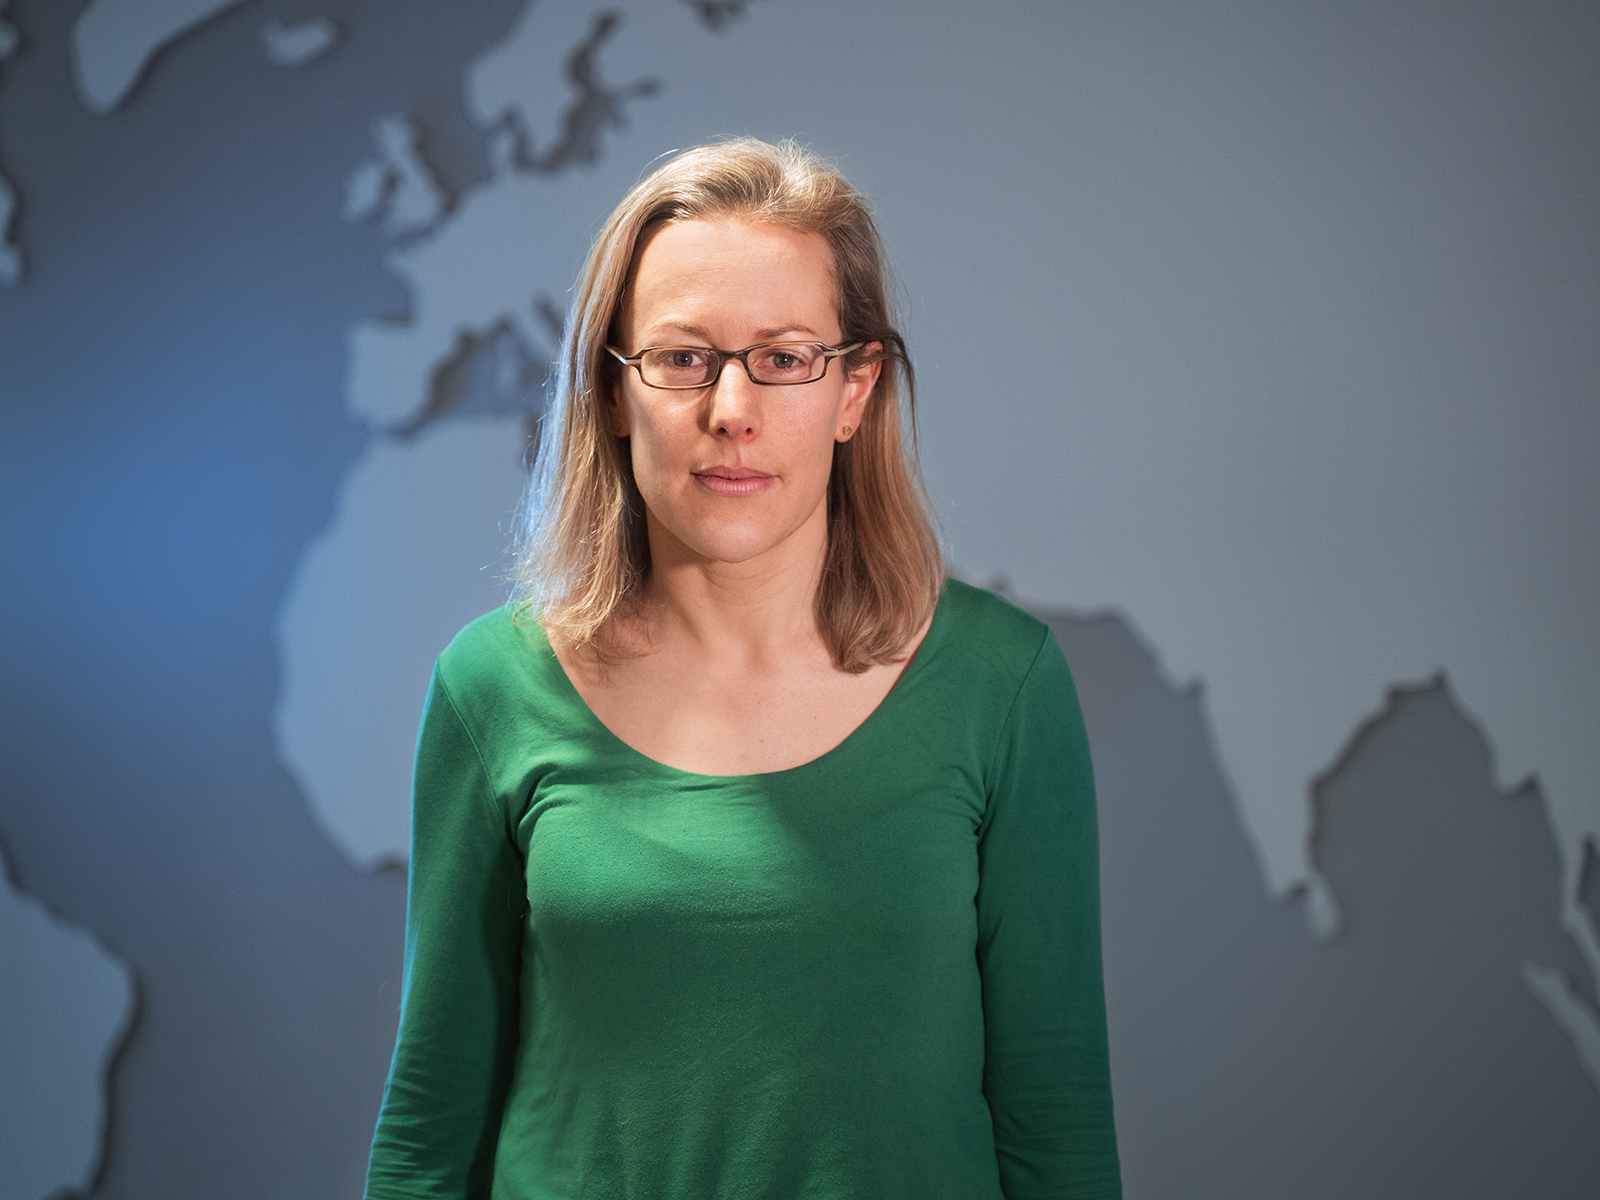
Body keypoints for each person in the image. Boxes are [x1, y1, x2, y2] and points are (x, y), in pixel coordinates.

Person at [363, 138, 1121, 1200]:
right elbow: (431, 1122)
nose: (731, 408)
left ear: (854, 391)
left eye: (783, 357)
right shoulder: (492, 685)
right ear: (613, 392)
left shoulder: (1002, 684)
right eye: (681, 358)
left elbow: (1059, 1132)